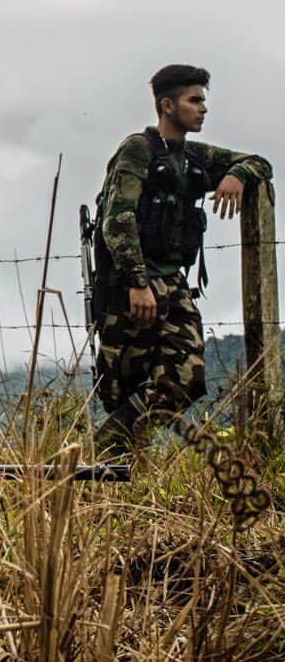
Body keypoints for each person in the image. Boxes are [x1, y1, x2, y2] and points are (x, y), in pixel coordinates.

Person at [91, 65, 272, 457]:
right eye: (194, 100)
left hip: (173, 284)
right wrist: (137, 282)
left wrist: (236, 175)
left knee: (186, 380)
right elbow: (117, 219)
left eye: (203, 100)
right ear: (167, 104)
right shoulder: (138, 149)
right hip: (131, 286)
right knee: (121, 386)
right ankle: (110, 464)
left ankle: (108, 448)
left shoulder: (191, 156)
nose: (203, 108)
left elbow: (260, 161)